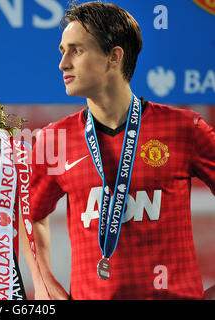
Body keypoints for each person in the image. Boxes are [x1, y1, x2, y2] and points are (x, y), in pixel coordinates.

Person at [21, 1, 215, 300]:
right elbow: (28, 215)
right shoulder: (54, 139)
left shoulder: (184, 128)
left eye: (77, 50)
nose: (63, 64)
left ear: (114, 56)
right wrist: (44, 283)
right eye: (63, 51)